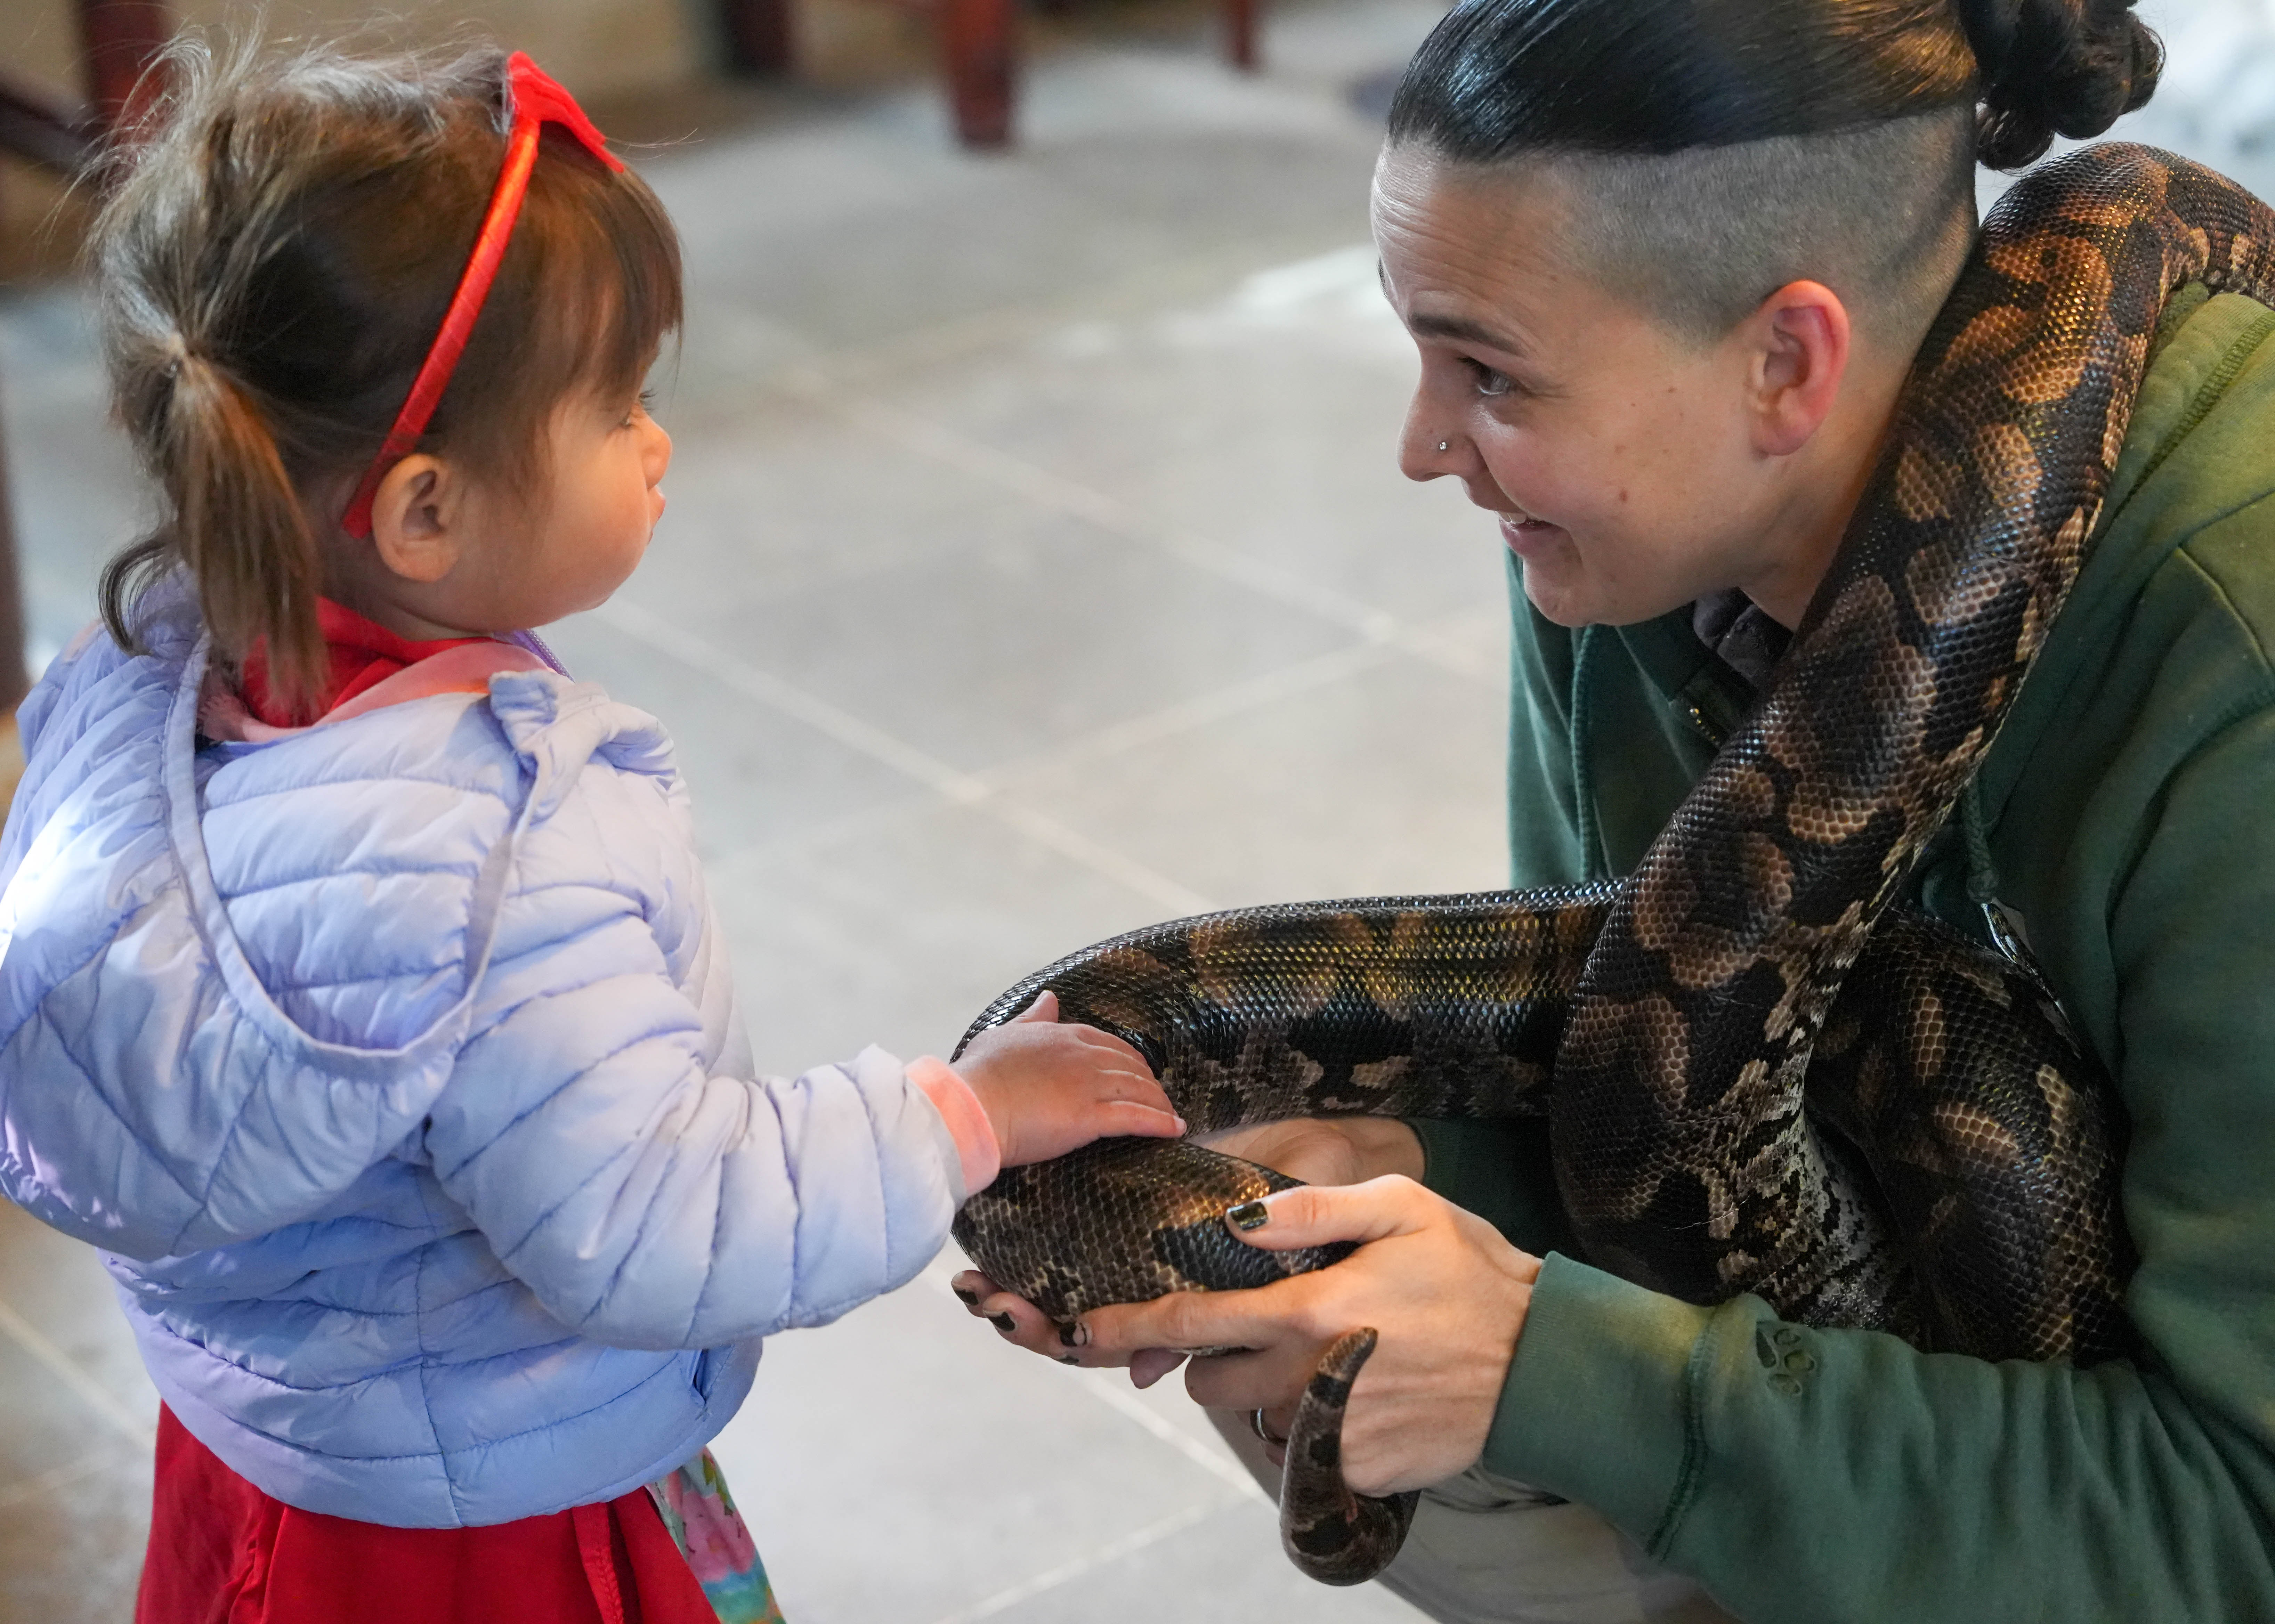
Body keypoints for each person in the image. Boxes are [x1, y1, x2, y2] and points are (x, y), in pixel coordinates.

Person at [957, 0, 2275, 1618]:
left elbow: (2239, 1529)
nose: (1424, 447)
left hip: (2187, 1484)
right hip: (1935, 1311)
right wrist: (1420, 1157)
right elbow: (1635, 1073)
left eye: (1491, 374)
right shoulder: (1639, 528)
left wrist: (1552, 1364)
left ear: (1786, 361)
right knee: (1332, 1329)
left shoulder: (2241, 669)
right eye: (1421, 350)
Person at [0, 41, 1184, 1624]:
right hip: (496, 1526)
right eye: (618, 405)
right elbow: (662, 1221)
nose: (656, 442)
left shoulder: (149, 677)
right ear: (424, 515)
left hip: (279, 1467)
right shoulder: (502, 848)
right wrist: (963, 1119)